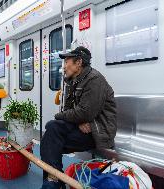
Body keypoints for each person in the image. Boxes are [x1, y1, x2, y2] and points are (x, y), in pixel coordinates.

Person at [40, 46, 117, 189]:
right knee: (51, 132)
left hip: (97, 133)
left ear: (79, 62)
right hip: (83, 129)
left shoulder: (95, 80)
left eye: (66, 61)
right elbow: (71, 111)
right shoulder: (73, 81)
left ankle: (53, 181)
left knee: (50, 138)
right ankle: (54, 180)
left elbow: (85, 113)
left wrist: (67, 116)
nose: (64, 67)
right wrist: (78, 120)